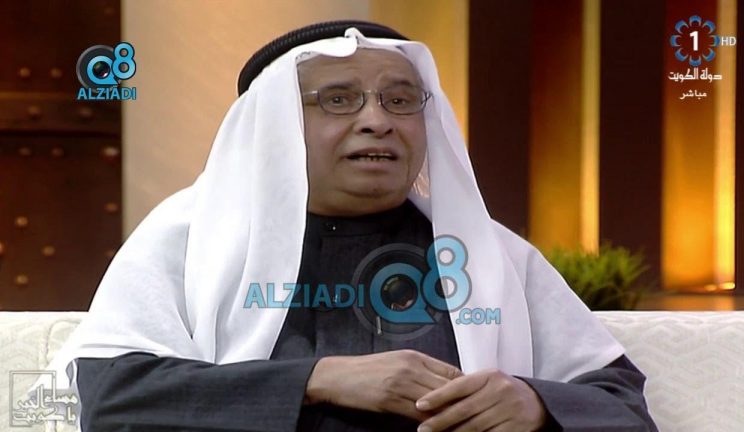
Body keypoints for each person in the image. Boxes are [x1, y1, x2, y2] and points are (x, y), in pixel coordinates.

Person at [47, 21, 658, 431]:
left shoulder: (485, 252)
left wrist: (536, 404)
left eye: (400, 100)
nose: (377, 121)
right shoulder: (188, 238)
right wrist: (319, 380)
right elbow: (114, 397)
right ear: (276, 126)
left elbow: (621, 402)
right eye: (339, 99)